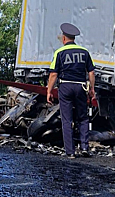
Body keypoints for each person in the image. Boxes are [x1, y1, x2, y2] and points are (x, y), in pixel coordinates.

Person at [47, 23, 95, 158]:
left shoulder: (59, 53)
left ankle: (70, 152)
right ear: (74, 38)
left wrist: (49, 91)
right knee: (83, 118)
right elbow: (91, 72)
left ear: (64, 38)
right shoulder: (84, 52)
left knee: (67, 120)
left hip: (65, 87)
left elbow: (53, 74)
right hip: (81, 87)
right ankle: (85, 147)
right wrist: (92, 89)